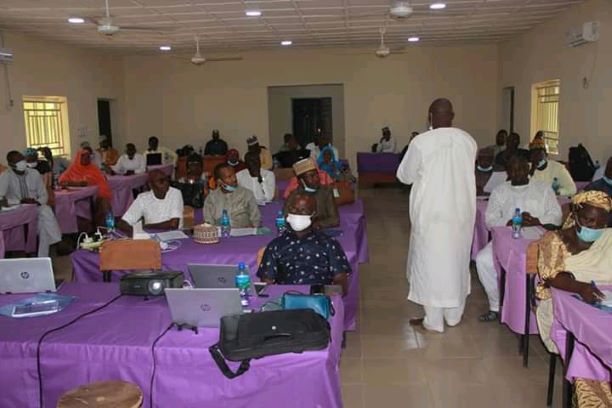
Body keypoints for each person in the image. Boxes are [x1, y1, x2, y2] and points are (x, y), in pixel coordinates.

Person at [396, 98, 477, 333]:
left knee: (431, 265)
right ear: (452, 115)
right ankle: (453, 316)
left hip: (432, 214)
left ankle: (433, 320)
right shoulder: (468, 140)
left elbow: (405, 176)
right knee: (457, 261)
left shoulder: (421, 142)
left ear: (429, 116)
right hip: (461, 213)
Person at [475, 155, 562, 321]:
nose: (518, 172)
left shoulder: (543, 189)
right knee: (482, 260)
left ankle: (542, 310)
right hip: (507, 236)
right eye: (513, 169)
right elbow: (490, 220)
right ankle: (496, 305)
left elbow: (556, 217)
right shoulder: (500, 191)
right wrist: (509, 222)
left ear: (528, 169)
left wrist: (537, 220)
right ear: (508, 172)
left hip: (539, 237)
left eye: (522, 168)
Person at [257, 192, 350, 294]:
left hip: (318, 300)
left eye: (303, 210)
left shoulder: (328, 244)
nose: (298, 214)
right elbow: (267, 285)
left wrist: (322, 295)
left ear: (314, 214)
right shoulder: (276, 246)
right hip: (286, 301)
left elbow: (341, 282)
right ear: (287, 213)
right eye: (294, 210)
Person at [0, 151, 62, 257]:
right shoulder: (6, 176)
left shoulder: (34, 173)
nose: (22, 162)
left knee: (45, 213)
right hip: (18, 210)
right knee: (44, 223)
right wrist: (20, 201)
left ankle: (42, 258)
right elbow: (1, 197)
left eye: (22, 159)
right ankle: (56, 242)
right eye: (18, 161)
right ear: (11, 164)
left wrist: (36, 202)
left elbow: (44, 195)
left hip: (35, 207)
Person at [118, 170, 183, 233]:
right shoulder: (143, 198)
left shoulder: (175, 193)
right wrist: (136, 233)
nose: (166, 183)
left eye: (167, 179)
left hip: (173, 235)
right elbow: (123, 223)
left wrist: (147, 226)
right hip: (150, 236)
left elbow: (173, 224)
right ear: (151, 185)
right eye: (161, 181)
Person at [59, 149, 113, 226]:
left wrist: (77, 183)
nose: (87, 159)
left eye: (88, 157)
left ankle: (105, 229)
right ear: (79, 158)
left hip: (94, 196)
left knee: (104, 205)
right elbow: (62, 181)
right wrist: (76, 184)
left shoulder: (93, 168)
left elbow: (92, 183)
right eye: (84, 157)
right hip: (77, 198)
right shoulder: (72, 168)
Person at [285, 158, 339, 228]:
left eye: (317, 175)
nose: (316, 178)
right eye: (311, 176)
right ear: (301, 181)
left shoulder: (326, 191)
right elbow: (286, 218)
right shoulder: (294, 195)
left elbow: (335, 220)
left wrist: (315, 225)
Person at [204, 163, 261, 228]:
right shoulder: (211, 199)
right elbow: (208, 223)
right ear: (219, 181)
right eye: (229, 177)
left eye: (234, 175)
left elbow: (256, 220)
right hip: (221, 235)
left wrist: (253, 227)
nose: (234, 179)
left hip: (244, 235)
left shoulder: (247, 194)